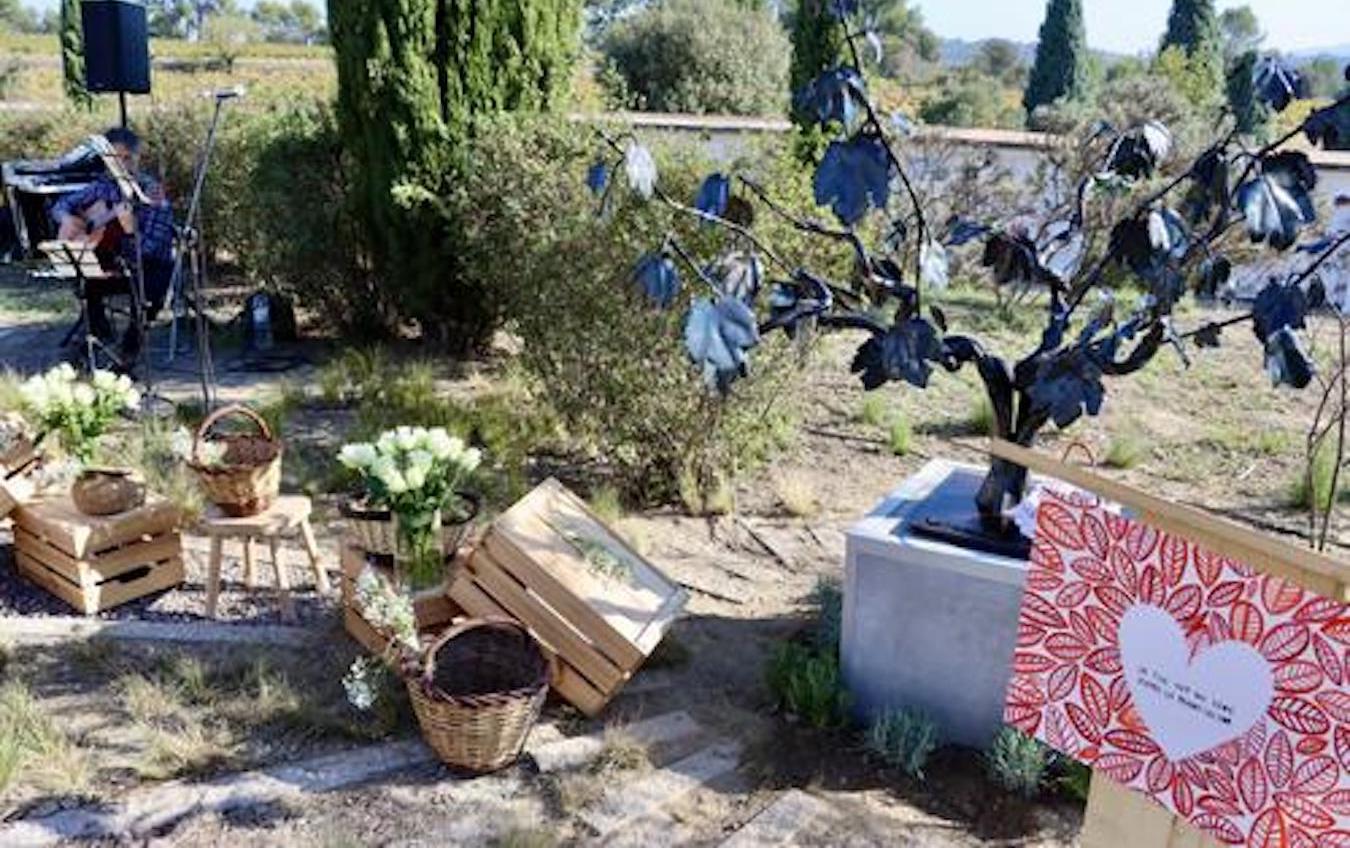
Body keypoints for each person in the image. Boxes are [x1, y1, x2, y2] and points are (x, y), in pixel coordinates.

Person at [50, 127, 175, 361]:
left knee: (148, 292)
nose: (121, 166)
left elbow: (147, 251)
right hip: (115, 262)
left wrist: (128, 229)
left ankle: (127, 354)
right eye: (114, 160)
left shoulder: (153, 197)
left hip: (150, 267)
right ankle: (99, 333)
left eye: (127, 158)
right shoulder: (103, 186)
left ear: (138, 158)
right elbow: (60, 205)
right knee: (80, 272)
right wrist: (69, 219)